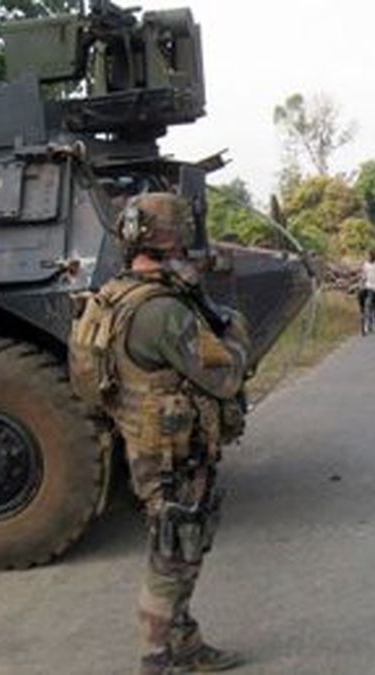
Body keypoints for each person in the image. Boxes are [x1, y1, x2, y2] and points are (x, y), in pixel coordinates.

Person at [70, 193, 249, 675]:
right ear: (176, 238)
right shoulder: (162, 311)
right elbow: (226, 375)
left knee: (180, 549)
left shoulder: (114, 295)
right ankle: (157, 660)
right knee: (171, 556)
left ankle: (185, 644)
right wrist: (233, 329)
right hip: (172, 454)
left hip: (145, 442)